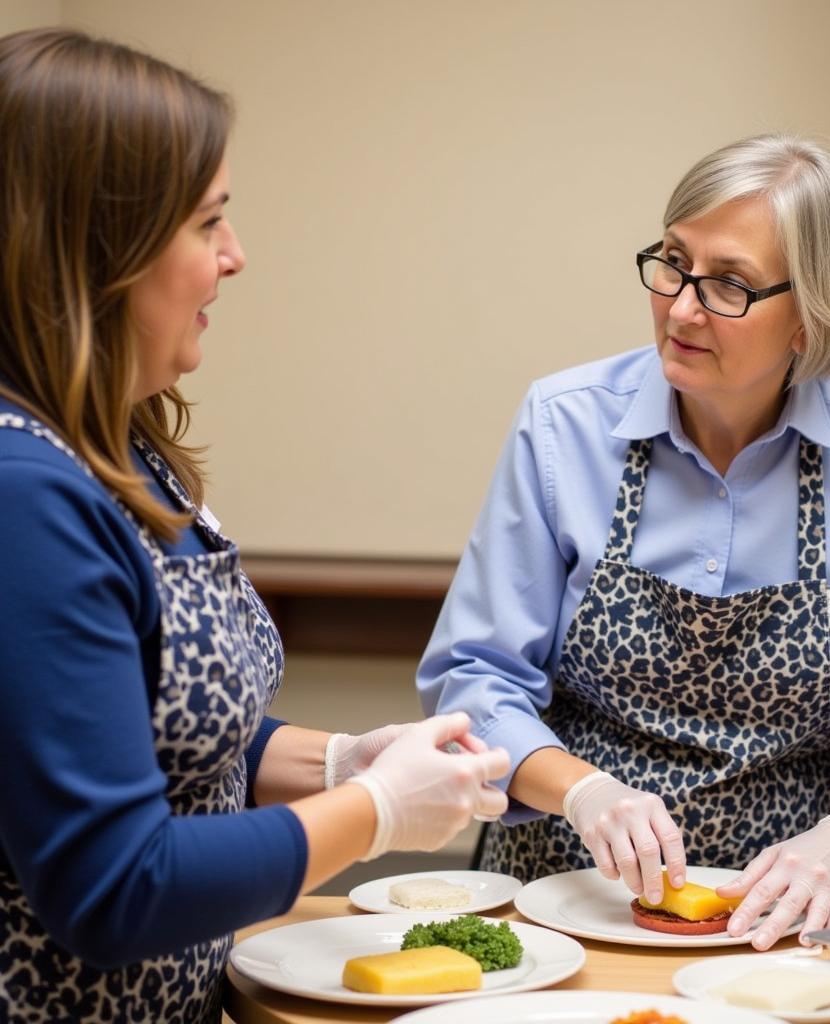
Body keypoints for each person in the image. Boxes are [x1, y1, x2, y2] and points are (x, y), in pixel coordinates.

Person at [0, 28, 509, 1024]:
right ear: (98, 247)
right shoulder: (24, 497)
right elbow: (115, 885)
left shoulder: (121, 443)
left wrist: (332, 762)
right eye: (206, 223)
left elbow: (150, 729)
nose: (236, 257)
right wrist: (373, 812)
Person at [418, 134, 830, 950]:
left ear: (813, 314)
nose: (682, 307)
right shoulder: (564, 426)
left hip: (786, 919)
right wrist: (584, 792)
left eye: (728, 283)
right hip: (565, 900)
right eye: (672, 263)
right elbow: (473, 675)